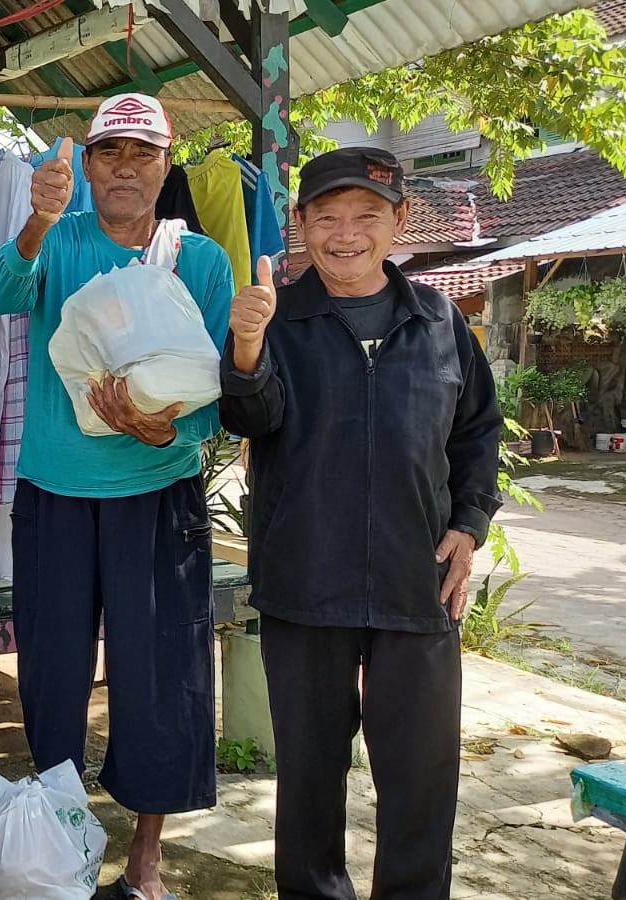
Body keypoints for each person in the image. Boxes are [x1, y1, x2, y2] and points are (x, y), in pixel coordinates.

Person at [219, 146, 501, 899]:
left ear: (399, 221)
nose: (346, 234)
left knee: (422, 777)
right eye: (328, 217)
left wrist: (469, 525)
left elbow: (478, 433)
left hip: (419, 583)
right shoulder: (277, 318)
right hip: (305, 581)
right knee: (309, 779)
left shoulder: (440, 321)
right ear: (302, 224)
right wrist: (247, 348)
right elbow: (251, 415)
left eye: (367, 216)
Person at [0, 92, 233, 900]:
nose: (124, 169)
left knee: (160, 672)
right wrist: (36, 221)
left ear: (166, 166)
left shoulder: (200, 261)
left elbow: (219, 394)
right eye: (109, 154)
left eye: (142, 155)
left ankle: (148, 853)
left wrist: (173, 437)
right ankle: (61, 837)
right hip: (54, 491)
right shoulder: (61, 239)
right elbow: (1, 293)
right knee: (51, 671)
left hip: (159, 496)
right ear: (86, 166)